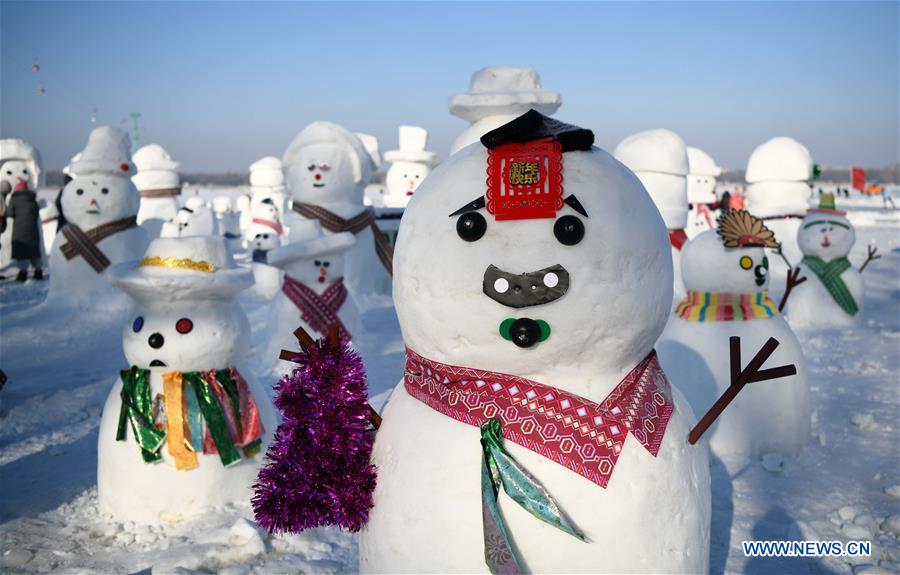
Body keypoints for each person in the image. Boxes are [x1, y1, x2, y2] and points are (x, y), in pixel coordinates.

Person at [4, 180, 44, 281]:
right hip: (32, 229)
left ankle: (23, 273)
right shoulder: (32, 198)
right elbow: (36, 212)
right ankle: (38, 271)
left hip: (20, 229)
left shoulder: (15, 198)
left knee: (22, 250)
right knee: (34, 250)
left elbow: (10, 213)